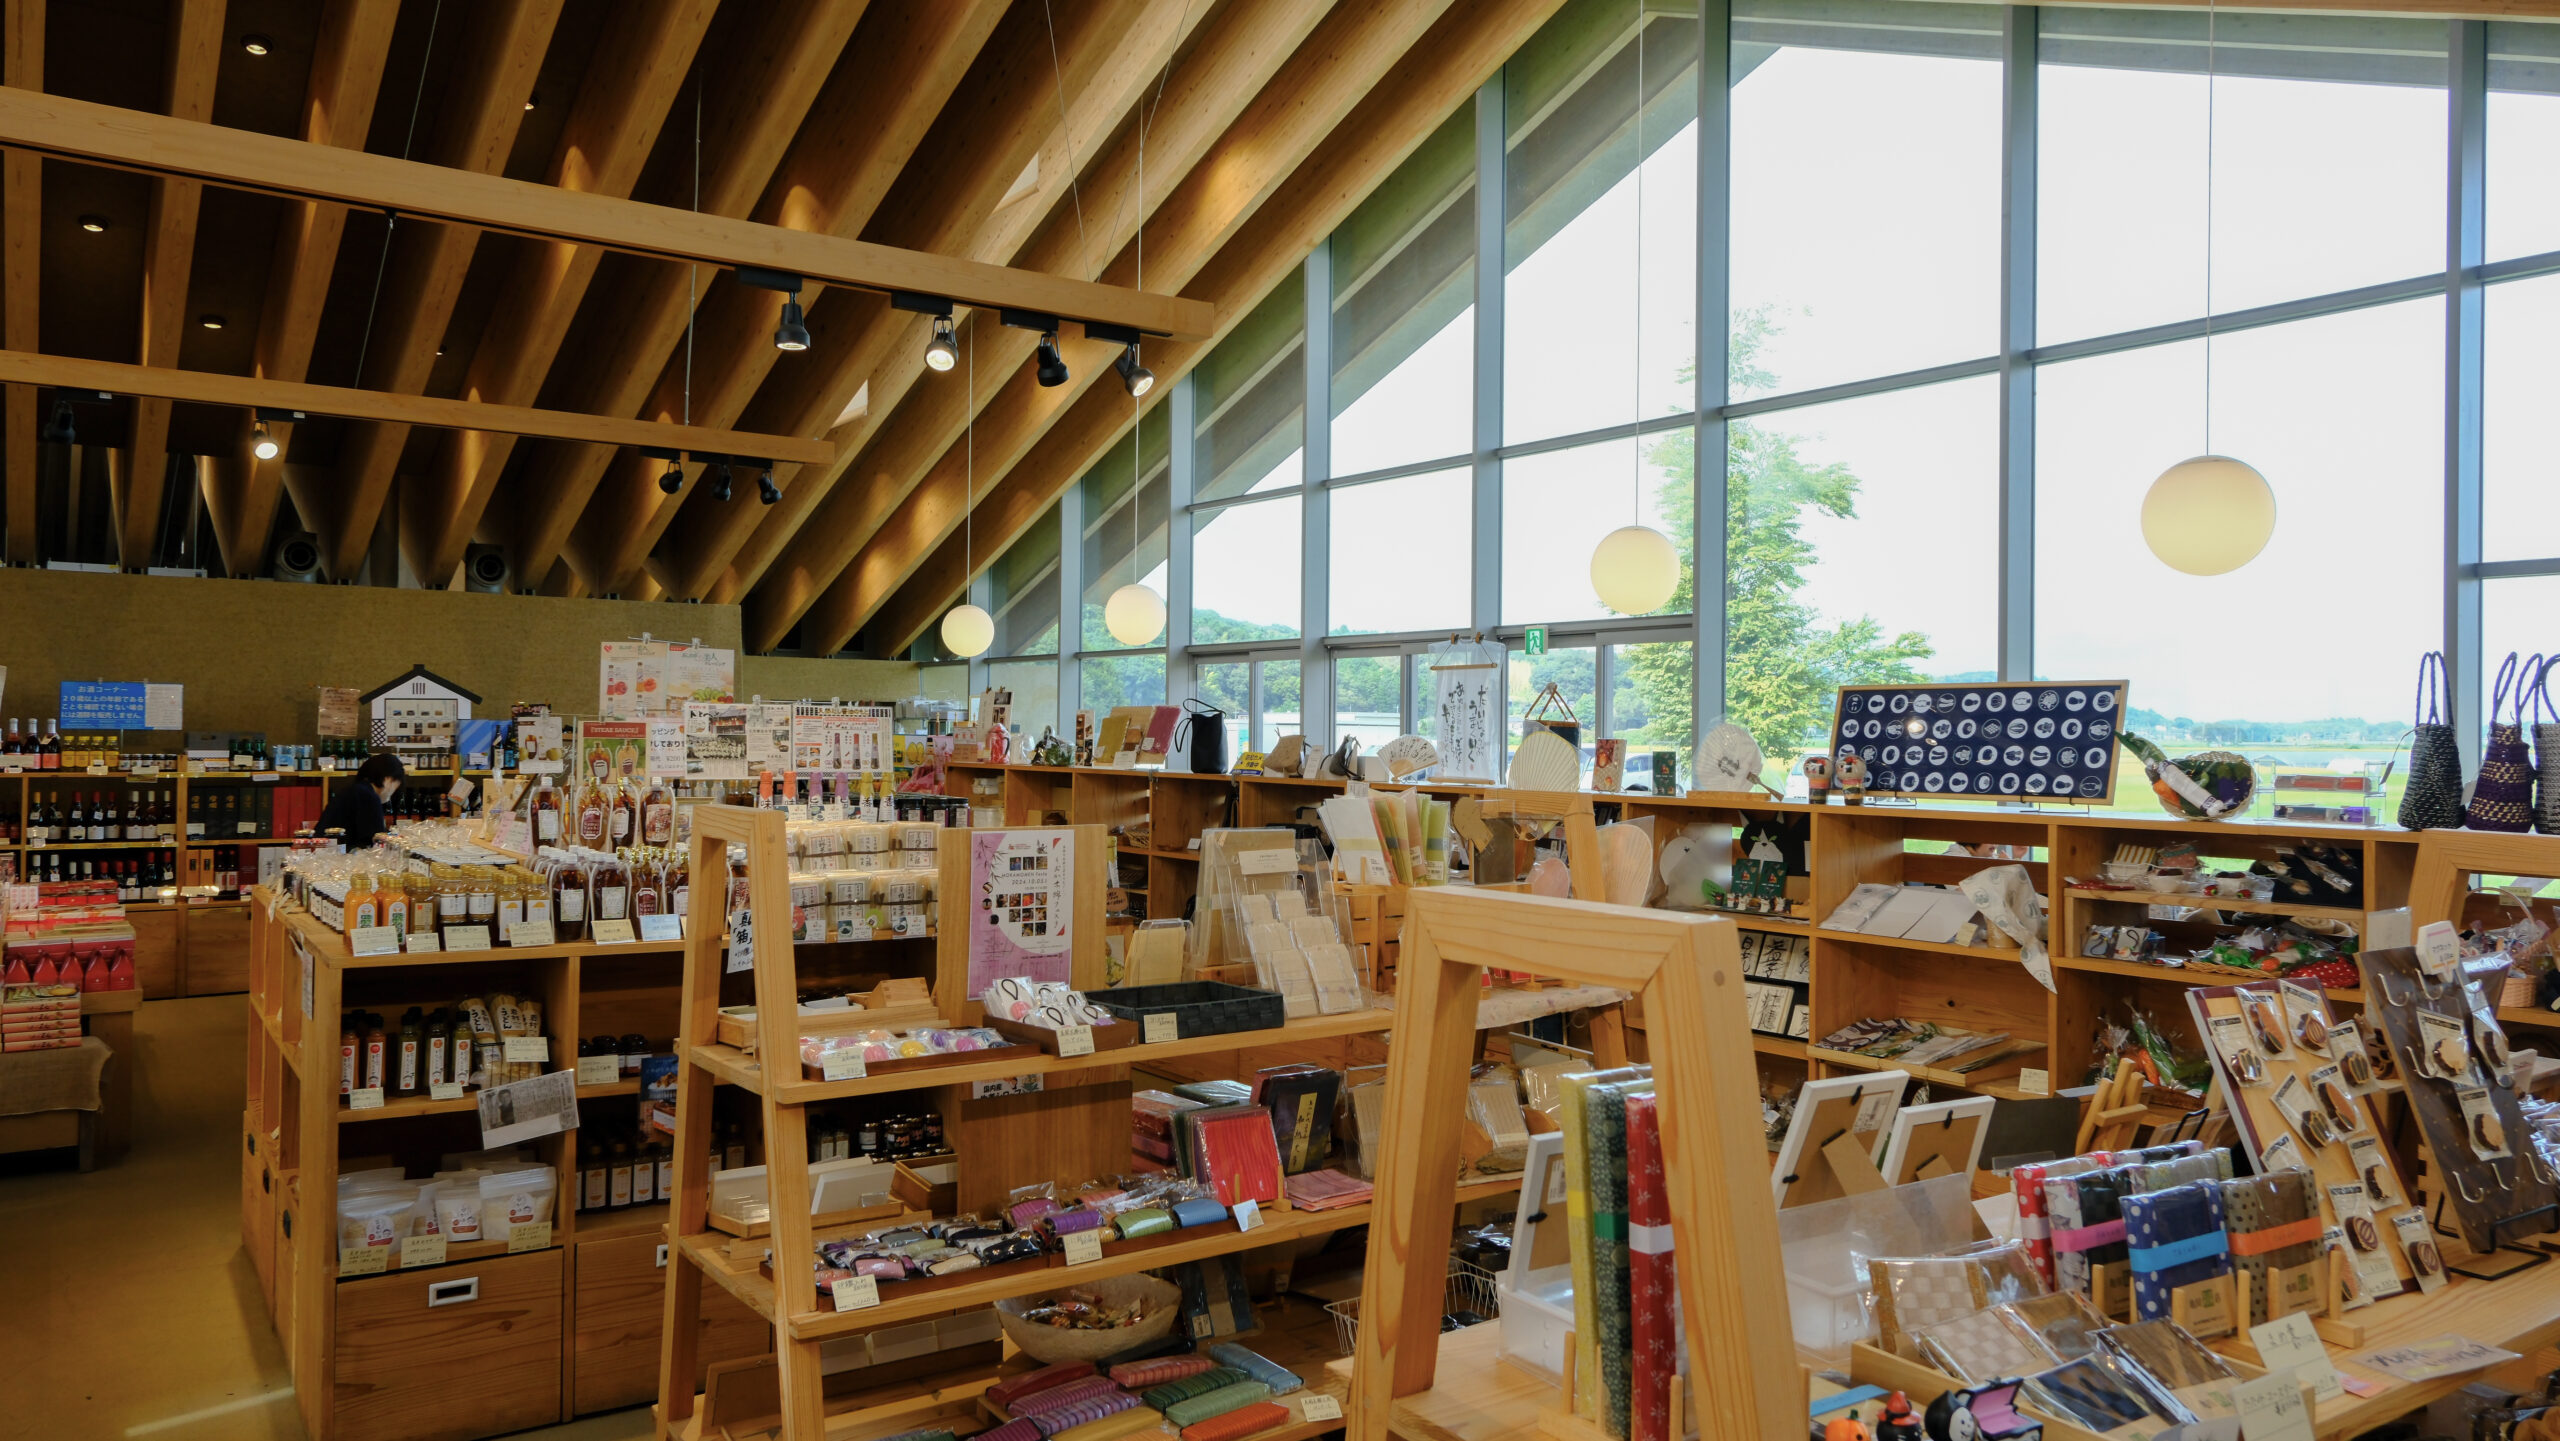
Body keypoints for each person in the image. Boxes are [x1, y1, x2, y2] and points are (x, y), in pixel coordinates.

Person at [317, 752, 407, 851]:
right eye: (395, 786)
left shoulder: (355, 790)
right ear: (388, 780)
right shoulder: (369, 796)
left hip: (324, 853)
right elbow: (376, 842)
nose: (392, 793)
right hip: (338, 857)